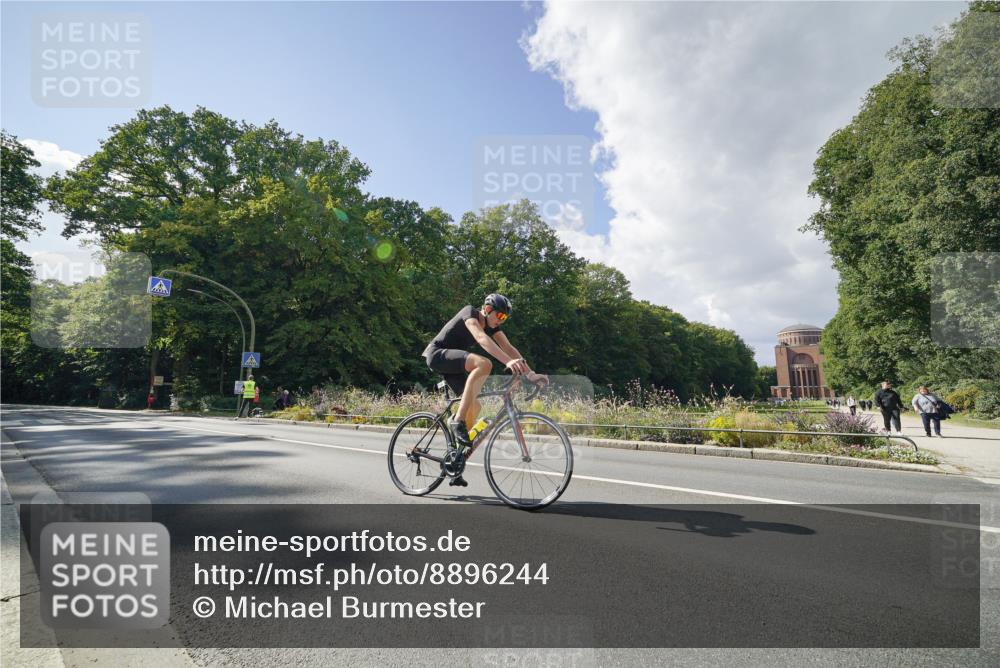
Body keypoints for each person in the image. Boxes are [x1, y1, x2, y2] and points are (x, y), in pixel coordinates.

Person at [423, 293, 548, 488]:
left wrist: (530, 374)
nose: (501, 320)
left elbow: (508, 347)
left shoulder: (493, 327)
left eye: (505, 318)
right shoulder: (470, 313)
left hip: (455, 366)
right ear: (488, 309)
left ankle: (455, 461)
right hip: (437, 355)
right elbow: (481, 338)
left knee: (475, 406)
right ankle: (457, 420)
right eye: (500, 315)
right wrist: (508, 362)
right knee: (484, 364)